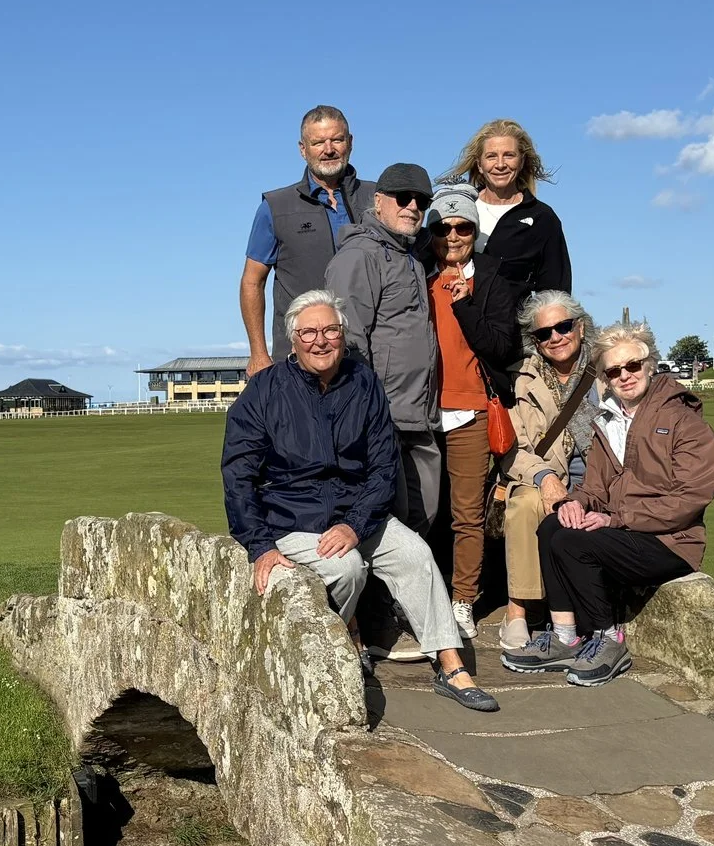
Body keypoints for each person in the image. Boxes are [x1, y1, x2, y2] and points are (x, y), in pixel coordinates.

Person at [221, 289, 497, 712]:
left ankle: (450, 663)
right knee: (344, 568)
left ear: (342, 335)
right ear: (293, 339)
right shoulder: (265, 390)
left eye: (330, 330)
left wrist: (354, 524)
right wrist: (260, 546)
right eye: (309, 332)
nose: (320, 340)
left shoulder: (362, 382)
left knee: (416, 555)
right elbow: (238, 474)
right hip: (293, 520)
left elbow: (383, 467)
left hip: (356, 515)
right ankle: (342, 647)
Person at [510, 322, 714, 689]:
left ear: (650, 364)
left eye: (633, 366)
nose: (625, 376)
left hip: (671, 541)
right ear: (606, 379)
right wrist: (573, 503)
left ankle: (609, 639)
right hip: (624, 532)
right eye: (614, 371)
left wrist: (615, 519)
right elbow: (593, 485)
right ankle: (565, 636)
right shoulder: (608, 419)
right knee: (552, 527)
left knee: (575, 541)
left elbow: (690, 499)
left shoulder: (682, 420)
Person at [423, 186, 525, 641]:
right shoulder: (416, 276)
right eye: (443, 228)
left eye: (463, 226)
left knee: (466, 514)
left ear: (474, 230)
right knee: (420, 513)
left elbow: (504, 347)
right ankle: (418, 600)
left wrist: (465, 305)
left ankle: (463, 601)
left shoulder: (494, 281)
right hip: (419, 412)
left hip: (470, 410)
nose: (453, 235)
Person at [325, 162, 441, 535]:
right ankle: (380, 597)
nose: (412, 207)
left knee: (422, 519)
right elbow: (347, 342)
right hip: (382, 418)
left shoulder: (409, 256)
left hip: (418, 417)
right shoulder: (359, 256)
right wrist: (367, 414)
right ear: (378, 201)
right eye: (403, 198)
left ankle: (403, 596)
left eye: (421, 200)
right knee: (390, 527)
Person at [497, 291, 599, 666]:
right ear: (534, 340)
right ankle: (518, 610)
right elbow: (514, 448)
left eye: (563, 327)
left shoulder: (607, 371)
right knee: (524, 502)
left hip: (596, 477)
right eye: (544, 333)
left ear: (580, 327)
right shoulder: (520, 378)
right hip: (541, 472)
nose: (555, 337)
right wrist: (544, 478)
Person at [240, 105, 366, 377]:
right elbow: (252, 281)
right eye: (318, 142)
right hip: (300, 355)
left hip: (368, 355)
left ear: (351, 142)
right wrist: (259, 353)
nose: (328, 149)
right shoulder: (275, 207)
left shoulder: (379, 199)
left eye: (337, 140)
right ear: (303, 149)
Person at [442, 119, 570, 294]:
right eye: (491, 156)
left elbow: (555, 292)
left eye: (509, 155)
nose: (500, 164)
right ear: (479, 164)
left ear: (522, 161)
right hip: (452, 317)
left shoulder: (542, 218)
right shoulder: (459, 208)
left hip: (513, 320)